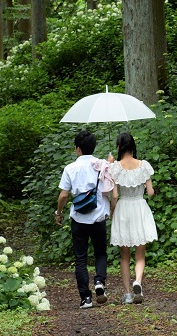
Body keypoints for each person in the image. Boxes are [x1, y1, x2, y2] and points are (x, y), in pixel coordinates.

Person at [55, 130, 110, 309]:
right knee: (101, 253)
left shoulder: (70, 168)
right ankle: (100, 282)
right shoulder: (102, 165)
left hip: (78, 218)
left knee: (81, 259)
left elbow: (63, 195)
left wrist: (58, 212)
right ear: (93, 147)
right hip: (99, 216)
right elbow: (109, 189)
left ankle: (86, 298)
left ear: (78, 149)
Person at [107, 132, 158, 304]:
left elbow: (114, 195)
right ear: (133, 146)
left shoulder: (115, 167)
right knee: (140, 254)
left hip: (123, 208)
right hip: (139, 207)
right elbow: (150, 193)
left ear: (119, 147)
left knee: (124, 256)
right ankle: (138, 282)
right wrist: (143, 185)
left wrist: (112, 212)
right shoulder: (144, 165)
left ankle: (128, 294)